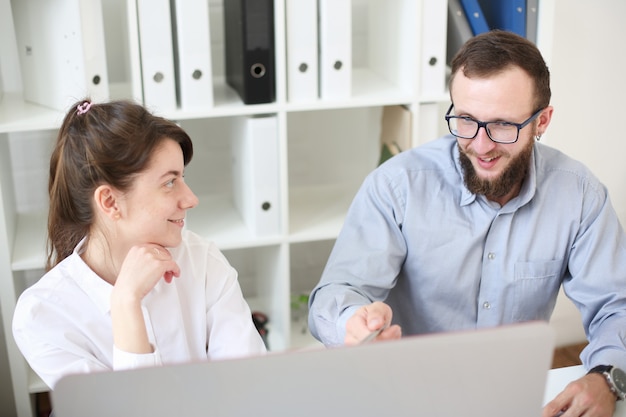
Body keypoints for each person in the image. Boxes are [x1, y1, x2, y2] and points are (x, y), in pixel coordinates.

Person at [308, 30, 626, 417]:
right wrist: (351, 325)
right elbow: (334, 295)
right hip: (404, 396)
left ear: (542, 121)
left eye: (503, 126)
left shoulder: (580, 195)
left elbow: (616, 306)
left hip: (515, 397)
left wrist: (608, 376)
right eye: (466, 120)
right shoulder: (398, 185)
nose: (480, 145)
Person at [12, 99, 267, 390]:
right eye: (169, 183)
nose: (191, 199)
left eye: (182, 177)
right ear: (110, 202)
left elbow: (248, 389)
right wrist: (125, 303)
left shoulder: (202, 261)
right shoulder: (43, 316)